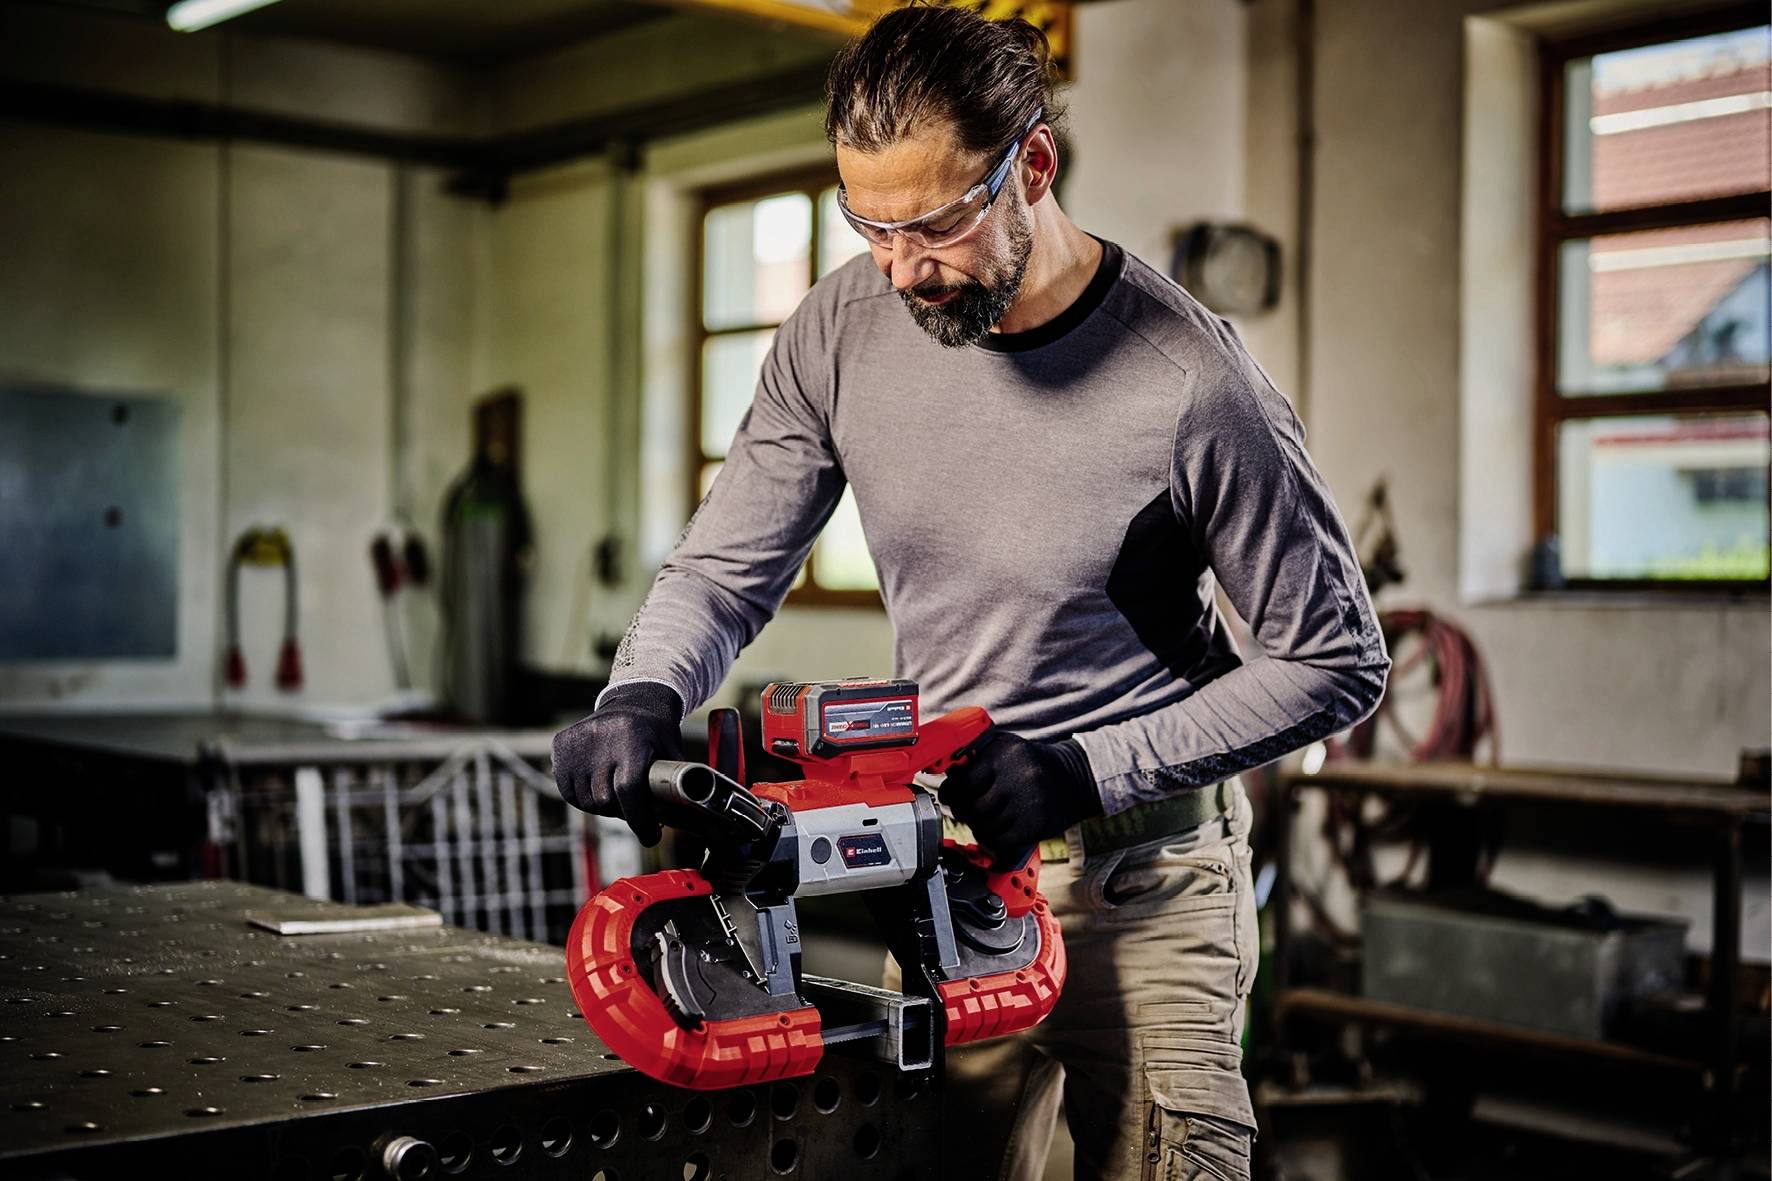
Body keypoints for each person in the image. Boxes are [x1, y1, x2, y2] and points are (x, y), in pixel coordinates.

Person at [552, 8, 1389, 1179]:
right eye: (869, 224)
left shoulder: (1191, 382)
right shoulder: (840, 328)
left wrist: (1080, 768)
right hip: (940, 876)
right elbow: (722, 562)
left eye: (936, 224)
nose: (902, 270)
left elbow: (1335, 660)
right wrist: (641, 688)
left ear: (1030, 167)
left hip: (1138, 886)